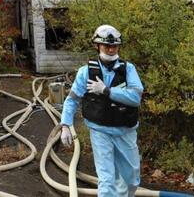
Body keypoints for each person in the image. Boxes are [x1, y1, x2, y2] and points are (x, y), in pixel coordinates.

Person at [59, 25, 144, 197]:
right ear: (97, 46)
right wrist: (65, 125)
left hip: (125, 131)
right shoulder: (85, 72)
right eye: (107, 46)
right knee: (106, 179)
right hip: (100, 131)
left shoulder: (128, 70)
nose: (111, 49)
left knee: (131, 179)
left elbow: (135, 98)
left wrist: (107, 90)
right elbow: (73, 99)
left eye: (114, 46)